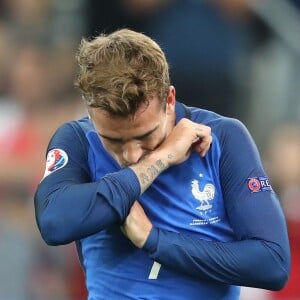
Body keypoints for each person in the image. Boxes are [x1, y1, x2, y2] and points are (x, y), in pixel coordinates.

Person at [34, 29, 290, 300]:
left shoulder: (223, 137)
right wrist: (159, 158)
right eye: (114, 141)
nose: (131, 156)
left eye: (144, 136)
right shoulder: (79, 139)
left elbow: (272, 263)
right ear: (90, 110)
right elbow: (54, 223)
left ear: (169, 99)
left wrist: (153, 240)